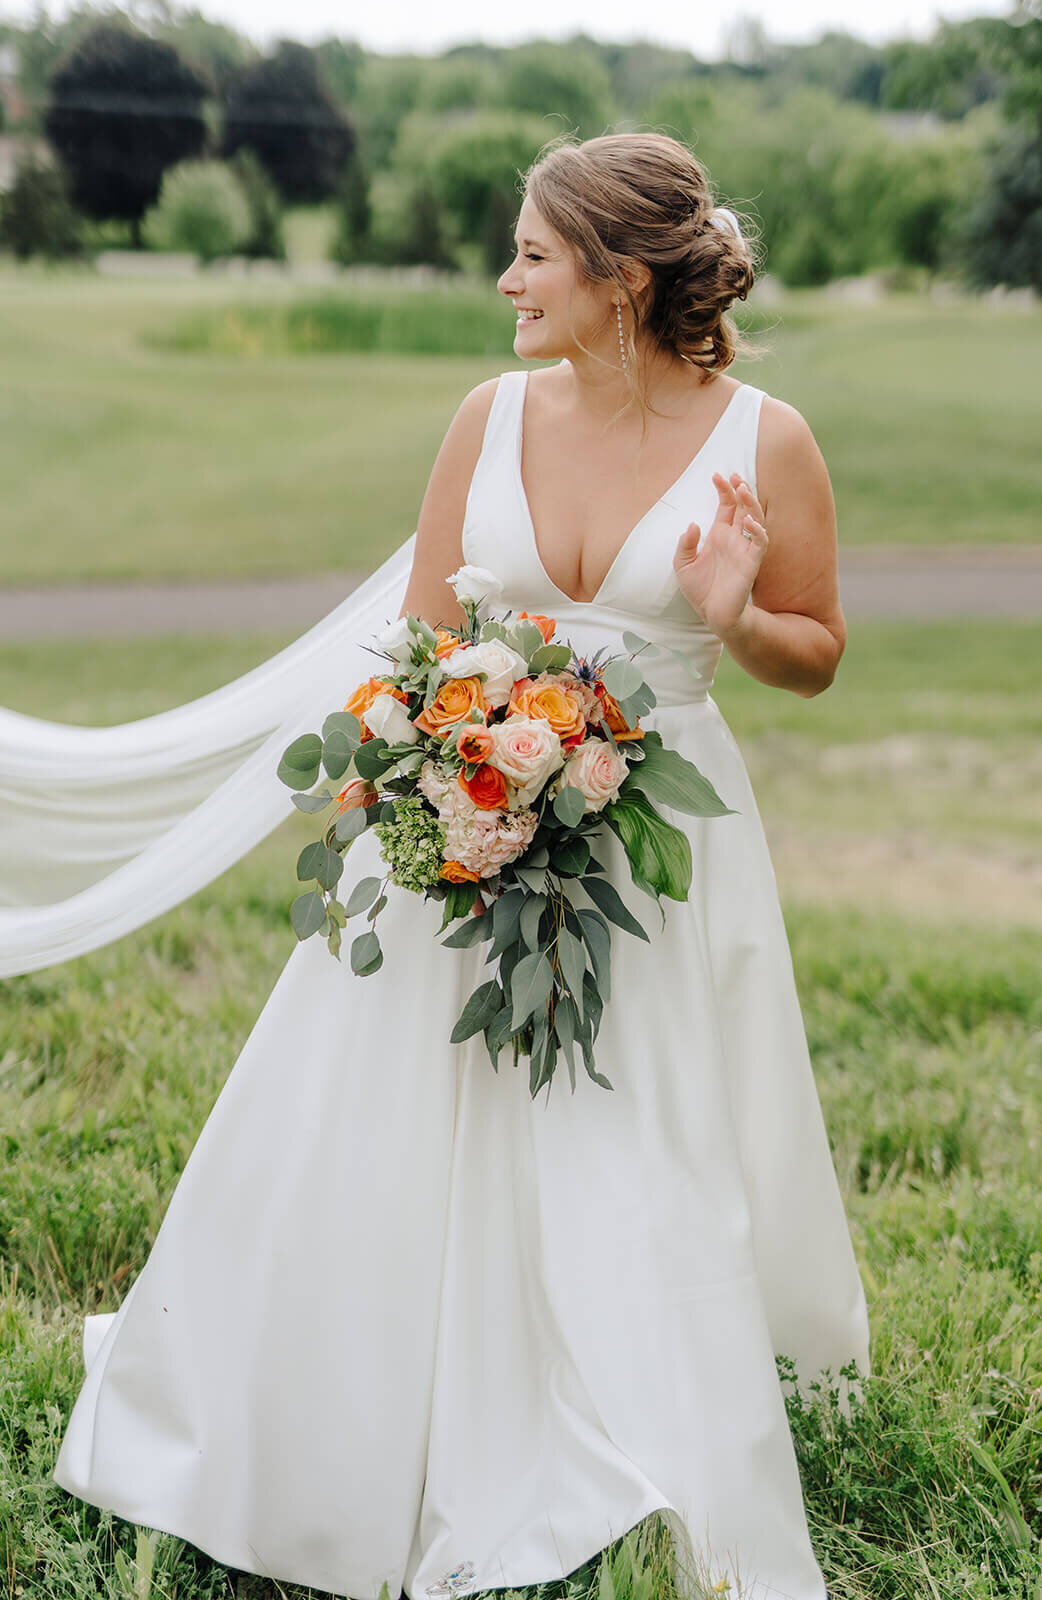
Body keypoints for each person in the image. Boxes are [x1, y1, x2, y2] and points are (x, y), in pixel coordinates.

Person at [50, 133, 869, 1600]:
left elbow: (811, 654)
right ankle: (346, 1398)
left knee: (638, 1131)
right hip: (458, 809)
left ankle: (622, 1396)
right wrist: (435, 779)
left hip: (657, 843)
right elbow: (418, 642)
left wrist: (734, 616)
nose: (507, 279)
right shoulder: (486, 413)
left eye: (533, 256)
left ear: (619, 282)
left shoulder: (768, 439)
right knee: (396, 1111)